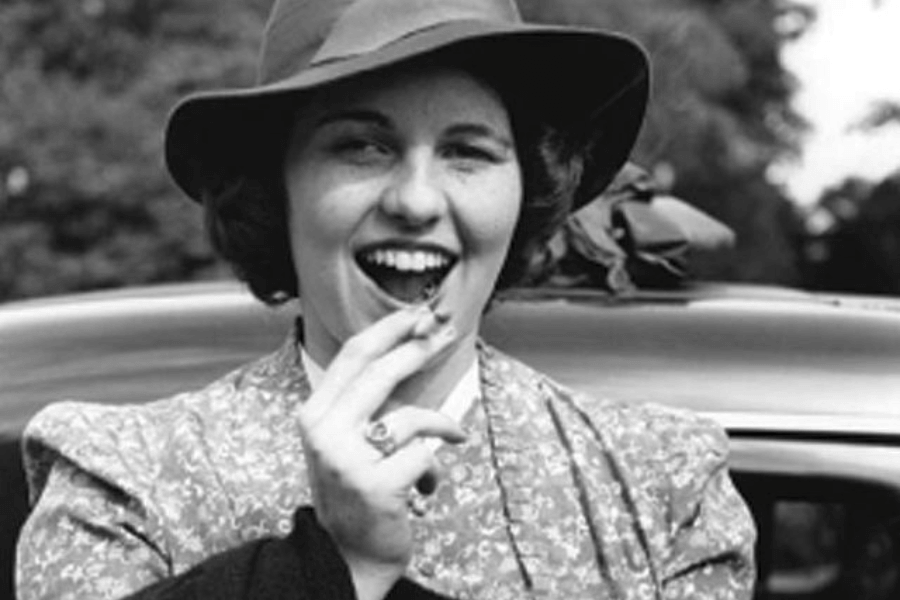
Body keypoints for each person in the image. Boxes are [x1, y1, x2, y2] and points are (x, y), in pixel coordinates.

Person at [15, 0, 756, 599]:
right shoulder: (121, 479)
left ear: (525, 193)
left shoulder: (665, 484)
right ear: (278, 192)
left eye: (469, 152)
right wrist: (329, 568)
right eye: (362, 147)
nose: (415, 200)